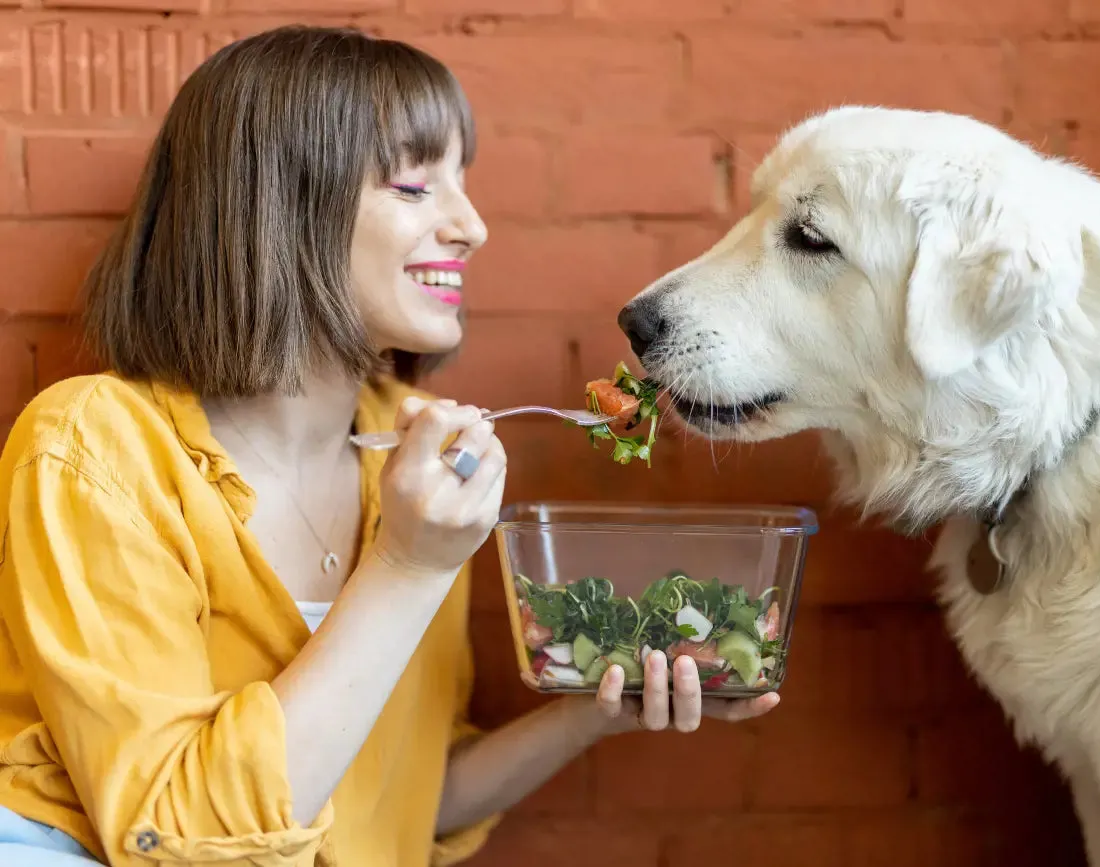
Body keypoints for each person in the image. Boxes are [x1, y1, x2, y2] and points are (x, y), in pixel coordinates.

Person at [0, 25, 779, 867]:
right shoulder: (94, 451)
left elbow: (402, 794)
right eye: (414, 187)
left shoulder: (409, 463)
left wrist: (595, 704)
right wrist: (409, 567)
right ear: (276, 209)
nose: (472, 225)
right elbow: (187, 845)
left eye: (462, 183)